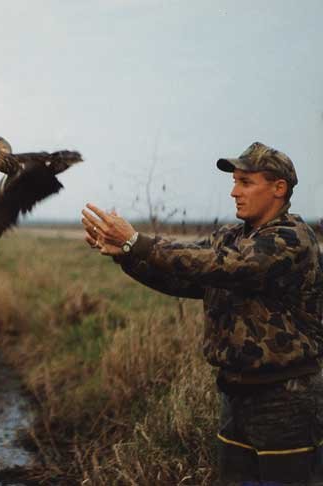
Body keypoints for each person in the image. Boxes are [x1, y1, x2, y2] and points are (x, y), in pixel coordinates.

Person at [81, 142, 323, 485]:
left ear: (278, 188)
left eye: (245, 182)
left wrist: (137, 241)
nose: (234, 192)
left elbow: (227, 267)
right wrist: (125, 255)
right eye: (234, 181)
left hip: (286, 400)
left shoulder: (292, 239)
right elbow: (185, 276)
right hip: (236, 395)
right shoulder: (230, 237)